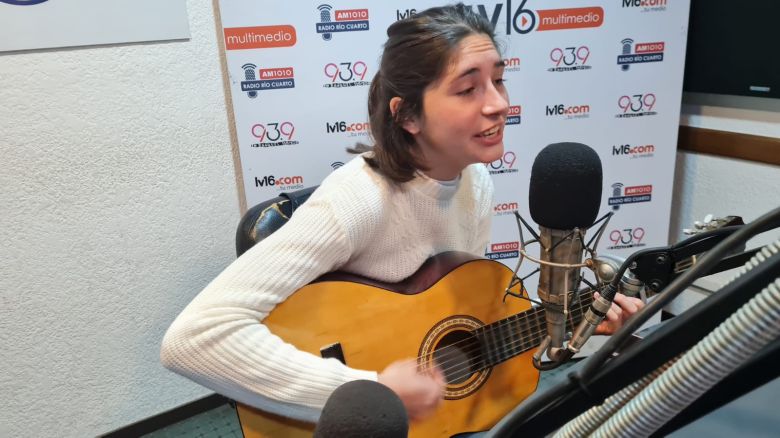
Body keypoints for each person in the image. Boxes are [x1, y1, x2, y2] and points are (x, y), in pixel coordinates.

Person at [160, 3, 643, 425]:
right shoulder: (356, 200)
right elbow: (192, 339)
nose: (499, 105)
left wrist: (577, 320)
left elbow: (452, 323)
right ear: (407, 116)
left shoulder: (476, 183)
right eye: (467, 89)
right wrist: (371, 390)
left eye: (498, 80)